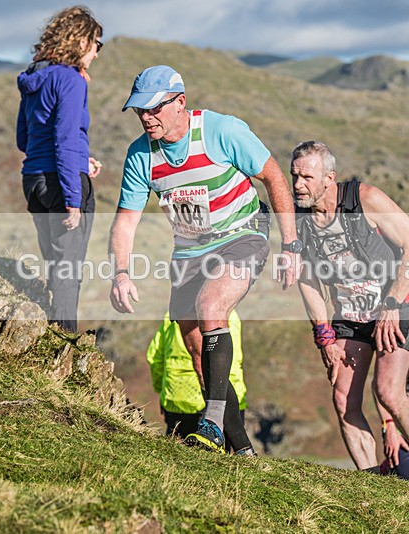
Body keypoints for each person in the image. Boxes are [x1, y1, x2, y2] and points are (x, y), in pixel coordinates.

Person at [110, 65, 299, 453]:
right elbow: (126, 221)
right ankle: (243, 451)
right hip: (189, 251)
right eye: (139, 110)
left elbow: (274, 177)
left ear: (180, 102)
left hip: (242, 234)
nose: (146, 117)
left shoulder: (220, 131)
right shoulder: (141, 155)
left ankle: (210, 424)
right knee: (198, 352)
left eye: (154, 108)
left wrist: (291, 245)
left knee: (211, 306)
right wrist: (121, 274)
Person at [291, 140, 409, 482]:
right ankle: (371, 482)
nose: (298, 185)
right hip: (349, 314)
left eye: (307, 178)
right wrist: (323, 333)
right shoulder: (298, 219)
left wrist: (392, 304)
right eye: (294, 176)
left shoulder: (365, 199)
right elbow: (308, 279)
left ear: (329, 178)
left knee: (388, 391)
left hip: (393, 305)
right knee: (343, 400)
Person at [17, 6, 103, 332]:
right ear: (81, 41)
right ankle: (64, 343)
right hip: (62, 184)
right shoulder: (70, 80)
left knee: (54, 267)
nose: (97, 53)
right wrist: (72, 198)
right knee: (68, 271)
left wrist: (83, 159)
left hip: (33, 180)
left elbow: (24, 139)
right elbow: (65, 138)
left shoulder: (33, 81)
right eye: (96, 44)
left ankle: (50, 337)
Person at [146, 310, 255, 454]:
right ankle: (245, 451)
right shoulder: (228, 314)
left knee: (177, 456)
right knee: (223, 458)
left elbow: (155, 357)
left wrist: (161, 390)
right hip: (225, 401)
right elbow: (235, 362)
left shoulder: (173, 314)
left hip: (180, 399)